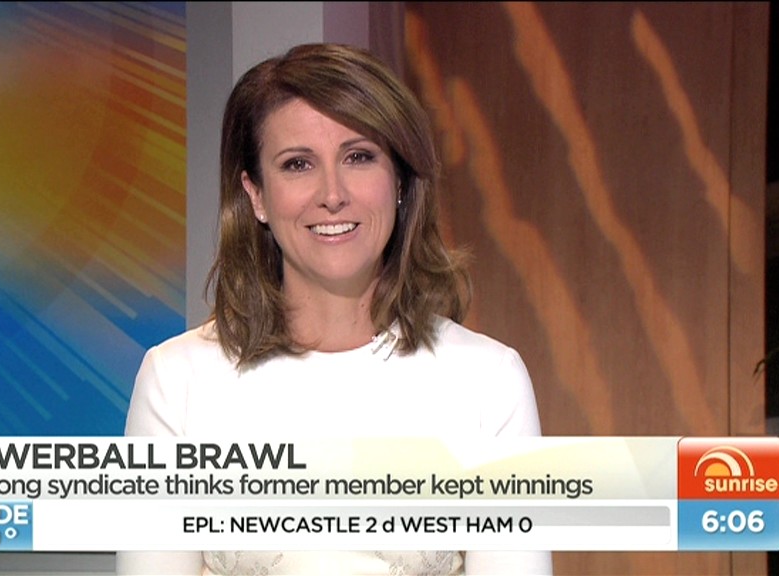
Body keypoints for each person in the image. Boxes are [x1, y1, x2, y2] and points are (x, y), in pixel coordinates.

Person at [118, 42, 551, 576]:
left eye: (359, 157)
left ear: (399, 180)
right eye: (298, 164)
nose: (332, 194)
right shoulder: (176, 380)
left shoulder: (489, 380)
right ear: (256, 195)